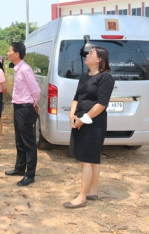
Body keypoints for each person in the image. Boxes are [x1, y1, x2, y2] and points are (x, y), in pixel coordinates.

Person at [63, 46, 114, 209]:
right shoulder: (84, 76)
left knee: (87, 160)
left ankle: (82, 197)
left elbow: (101, 104)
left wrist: (82, 120)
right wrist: (72, 115)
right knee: (92, 159)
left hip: (93, 123)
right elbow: (76, 98)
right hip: (80, 120)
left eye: (91, 53)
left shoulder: (106, 78)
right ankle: (92, 191)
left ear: (99, 59)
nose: (87, 55)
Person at [5, 42, 41, 186]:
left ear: (16, 54)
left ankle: (30, 174)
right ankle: (19, 168)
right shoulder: (17, 69)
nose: (7, 53)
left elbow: (36, 89)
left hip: (25, 108)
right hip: (18, 107)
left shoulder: (25, 69)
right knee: (19, 140)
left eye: (9, 51)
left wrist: (34, 103)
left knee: (28, 142)